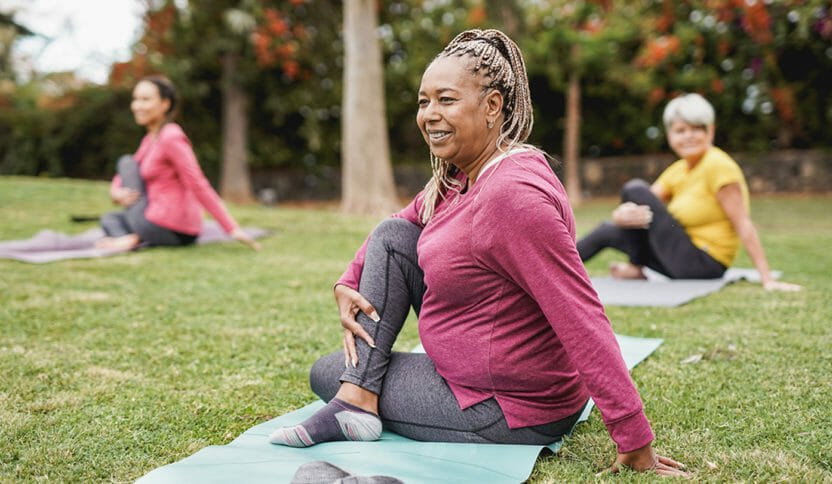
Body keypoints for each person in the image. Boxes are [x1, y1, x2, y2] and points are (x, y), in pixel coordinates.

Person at [268, 30, 688, 476]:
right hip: (476, 378)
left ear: (492, 107)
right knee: (392, 238)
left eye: (446, 100)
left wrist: (634, 436)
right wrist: (347, 281)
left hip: (508, 406)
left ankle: (356, 399)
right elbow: (399, 224)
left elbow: (580, 313)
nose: (430, 114)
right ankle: (358, 398)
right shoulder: (461, 176)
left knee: (326, 372)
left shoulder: (512, 196)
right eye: (423, 101)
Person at [576, 93, 801, 291]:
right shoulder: (679, 170)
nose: (688, 136)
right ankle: (550, 275)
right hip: (678, 257)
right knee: (607, 229)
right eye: (681, 130)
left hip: (704, 262)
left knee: (634, 187)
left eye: (696, 129)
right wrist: (621, 215)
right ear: (670, 136)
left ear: (710, 131)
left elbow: (743, 223)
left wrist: (767, 279)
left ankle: (636, 267)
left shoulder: (718, 165)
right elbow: (643, 203)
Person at [95, 75, 260, 251]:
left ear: (165, 104)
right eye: (135, 99)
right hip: (158, 223)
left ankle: (131, 238)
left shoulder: (171, 136)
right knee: (110, 218)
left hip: (169, 226)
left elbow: (197, 183)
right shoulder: (150, 139)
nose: (137, 106)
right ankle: (132, 238)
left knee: (126, 161)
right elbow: (126, 173)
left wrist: (231, 228)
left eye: (145, 99)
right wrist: (116, 192)